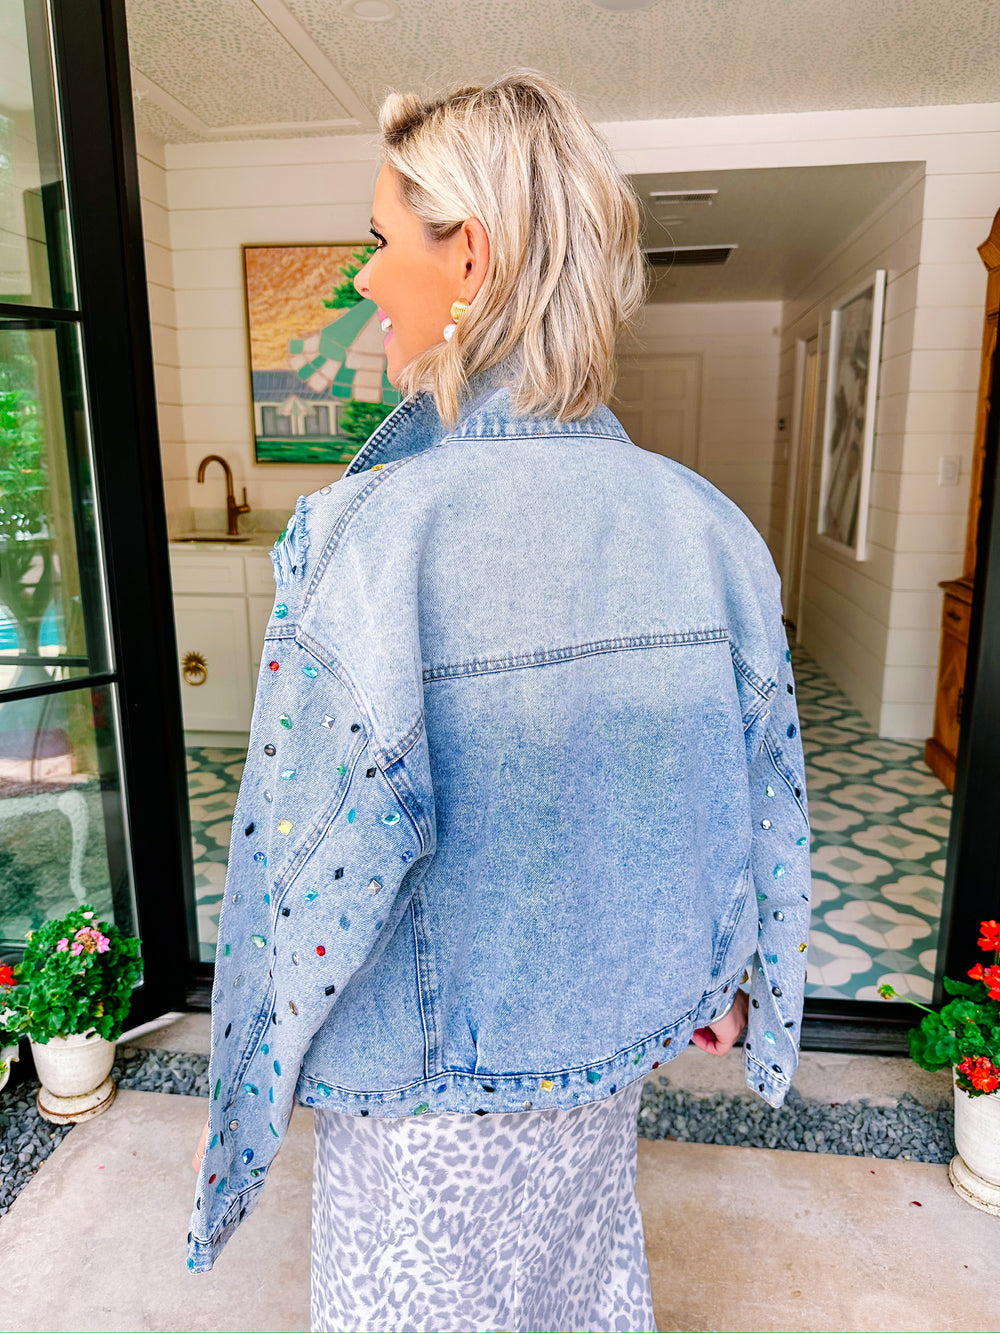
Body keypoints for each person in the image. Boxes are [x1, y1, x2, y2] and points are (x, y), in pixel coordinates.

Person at [187, 71, 810, 1333]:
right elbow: (753, 807)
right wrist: (727, 985)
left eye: (378, 240)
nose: (363, 276)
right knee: (572, 1292)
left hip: (429, 1096)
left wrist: (250, 1100)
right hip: (603, 1070)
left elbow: (303, 878)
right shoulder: (711, 533)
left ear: (468, 256)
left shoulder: (370, 541)